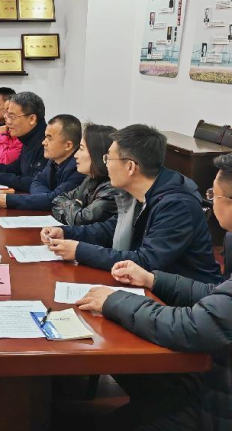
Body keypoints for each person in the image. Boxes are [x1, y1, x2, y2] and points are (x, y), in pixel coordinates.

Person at [75, 152, 232, 431]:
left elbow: (193, 326)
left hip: (218, 402)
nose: (210, 202)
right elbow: (218, 294)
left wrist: (114, 300)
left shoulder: (176, 203)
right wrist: (153, 280)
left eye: (213, 195)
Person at [42, 124, 222, 284]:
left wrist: (79, 251)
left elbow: (146, 261)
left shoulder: (177, 206)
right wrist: (66, 232)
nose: (106, 165)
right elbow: (110, 229)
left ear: (130, 167)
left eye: (108, 158)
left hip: (187, 297)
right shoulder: (138, 191)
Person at [0, 114, 85, 210]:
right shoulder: (54, 160)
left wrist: (11, 200)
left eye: (49, 138)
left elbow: (57, 200)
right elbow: (37, 182)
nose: (44, 142)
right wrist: (45, 198)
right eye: (45, 137)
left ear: (68, 145)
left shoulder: (79, 168)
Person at [0, 91, 48, 192]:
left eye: (12, 117)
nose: (8, 122)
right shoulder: (28, 137)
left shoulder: (46, 143)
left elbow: (36, 182)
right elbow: (17, 167)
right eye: (7, 116)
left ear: (32, 119)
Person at [52, 123, 121, 225]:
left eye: (81, 149)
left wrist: (73, 205)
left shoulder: (112, 189)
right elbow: (58, 199)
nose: (75, 155)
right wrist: (75, 206)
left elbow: (81, 220)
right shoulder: (91, 179)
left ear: (97, 154)